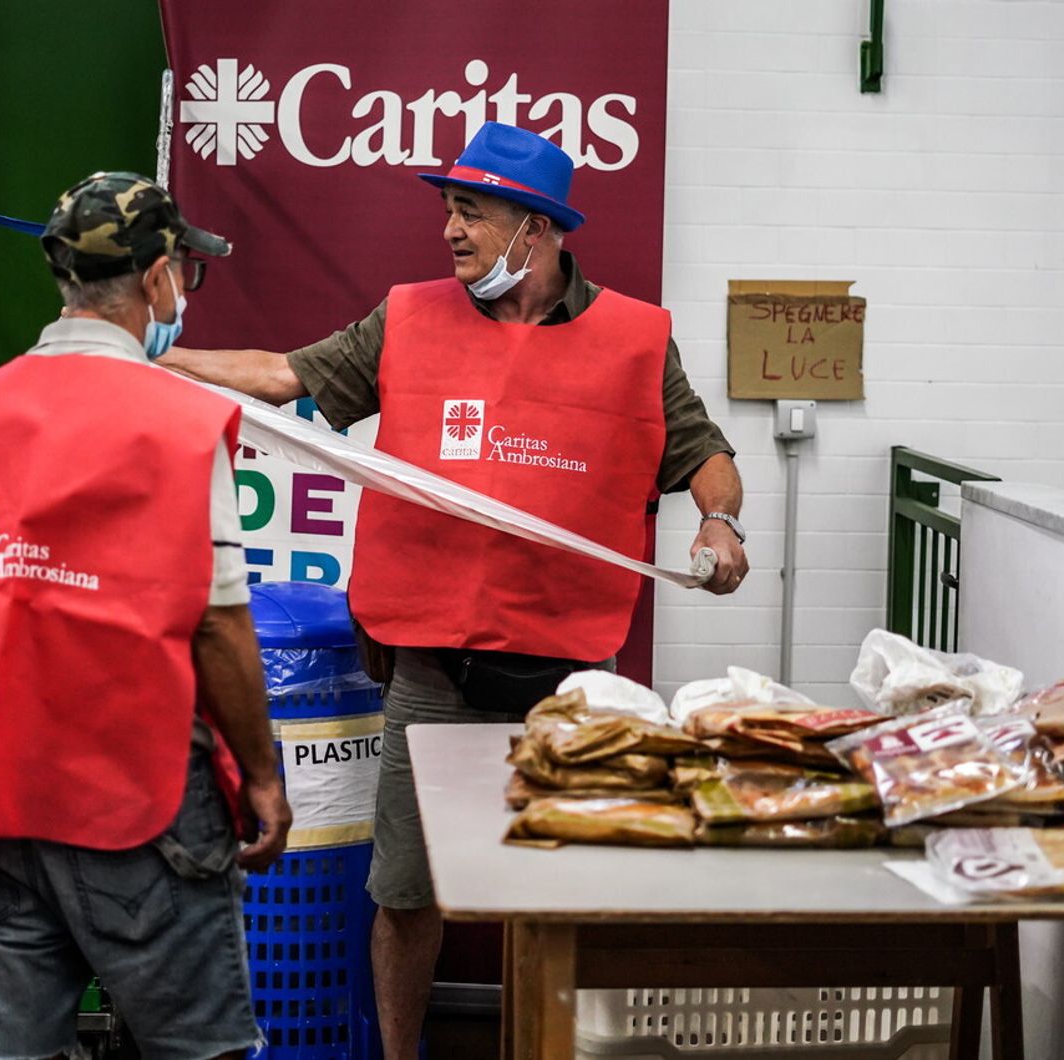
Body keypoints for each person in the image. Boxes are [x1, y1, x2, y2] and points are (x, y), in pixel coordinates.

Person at [154, 122, 747, 1057]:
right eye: (447, 209)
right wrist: (140, 356)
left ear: (538, 228)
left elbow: (704, 453)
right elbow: (281, 376)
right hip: (428, 669)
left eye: (471, 211)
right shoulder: (409, 318)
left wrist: (720, 521)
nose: (450, 230)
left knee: (555, 891)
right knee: (403, 889)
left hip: (565, 679)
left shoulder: (637, 339)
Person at [0, 172, 291, 1060]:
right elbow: (219, 625)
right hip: (138, 795)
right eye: (184, 272)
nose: (182, 292)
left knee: (18, 1049)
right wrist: (261, 775)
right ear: (155, 282)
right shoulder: (179, 428)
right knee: (198, 1047)